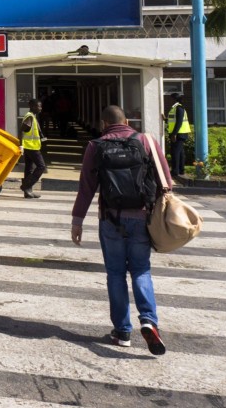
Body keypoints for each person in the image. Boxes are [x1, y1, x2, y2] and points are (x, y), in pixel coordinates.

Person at [71, 105, 172, 355]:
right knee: (141, 270)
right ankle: (149, 321)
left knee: (115, 274)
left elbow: (87, 187)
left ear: (104, 124)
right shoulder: (146, 141)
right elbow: (166, 181)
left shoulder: (95, 146)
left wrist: (77, 220)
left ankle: (122, 331)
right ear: (127, 121)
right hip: (142, 218)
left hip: (110, 220)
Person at [18, 99, 45, 199]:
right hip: (31, 147)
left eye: (41, 106)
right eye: (39, 106)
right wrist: (21, 145)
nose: (40, 108)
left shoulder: (32, 117)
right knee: (41, 167)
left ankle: (28, 192)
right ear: (33, 106)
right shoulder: (29, 117)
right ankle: (26, 186)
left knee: (29, 168)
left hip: (31, 146)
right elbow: (21, 131)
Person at [165, 93, 191, 178]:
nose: (168, 100)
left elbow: (179, 122)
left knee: (175, 152)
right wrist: (165, 119)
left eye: (170, 98)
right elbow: (173, 120)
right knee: (179, 152)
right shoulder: (176, 108)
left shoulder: (179, 108)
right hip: (179, 133)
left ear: (174, 99)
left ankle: (175, 171)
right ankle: (181, 170)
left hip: (179, 134)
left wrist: (174, 134)